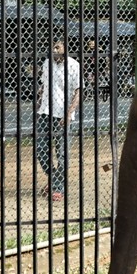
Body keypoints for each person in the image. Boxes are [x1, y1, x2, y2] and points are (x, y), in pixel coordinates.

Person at [34, 39, 81, 202]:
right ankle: (55, 180)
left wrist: (69, 114)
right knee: (40, 149)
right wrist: (38, 104)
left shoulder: (74, 65)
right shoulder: (47, 63)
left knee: (62, 153)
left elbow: (78, 91)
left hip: (63, 114)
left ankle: (58, 188)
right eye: (52, 47)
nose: (54, 50)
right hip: (45, 112)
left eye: (57, 47)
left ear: (65, 48)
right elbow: (43, 87)